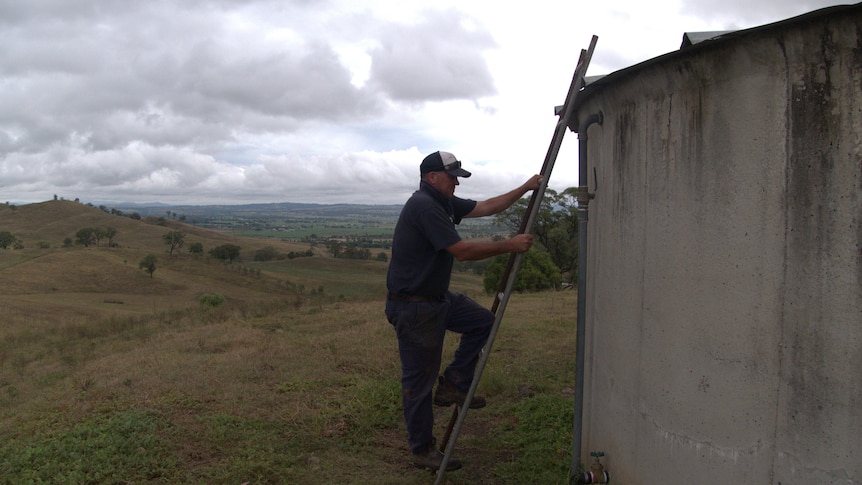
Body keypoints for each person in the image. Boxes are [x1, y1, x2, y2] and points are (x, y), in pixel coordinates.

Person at [385, 150, 541, 471]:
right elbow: (462, 252)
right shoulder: (425, 206)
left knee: (482, 321)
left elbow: (485, 207)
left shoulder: (442, 201)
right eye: (452, 176)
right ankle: (422, 449)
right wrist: (509, 245)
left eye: (458, 177)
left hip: (436, 299)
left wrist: (525, 187)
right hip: (415, 309)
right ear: (432, 178)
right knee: (419, 382)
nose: (456, 182)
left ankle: (455, 382)